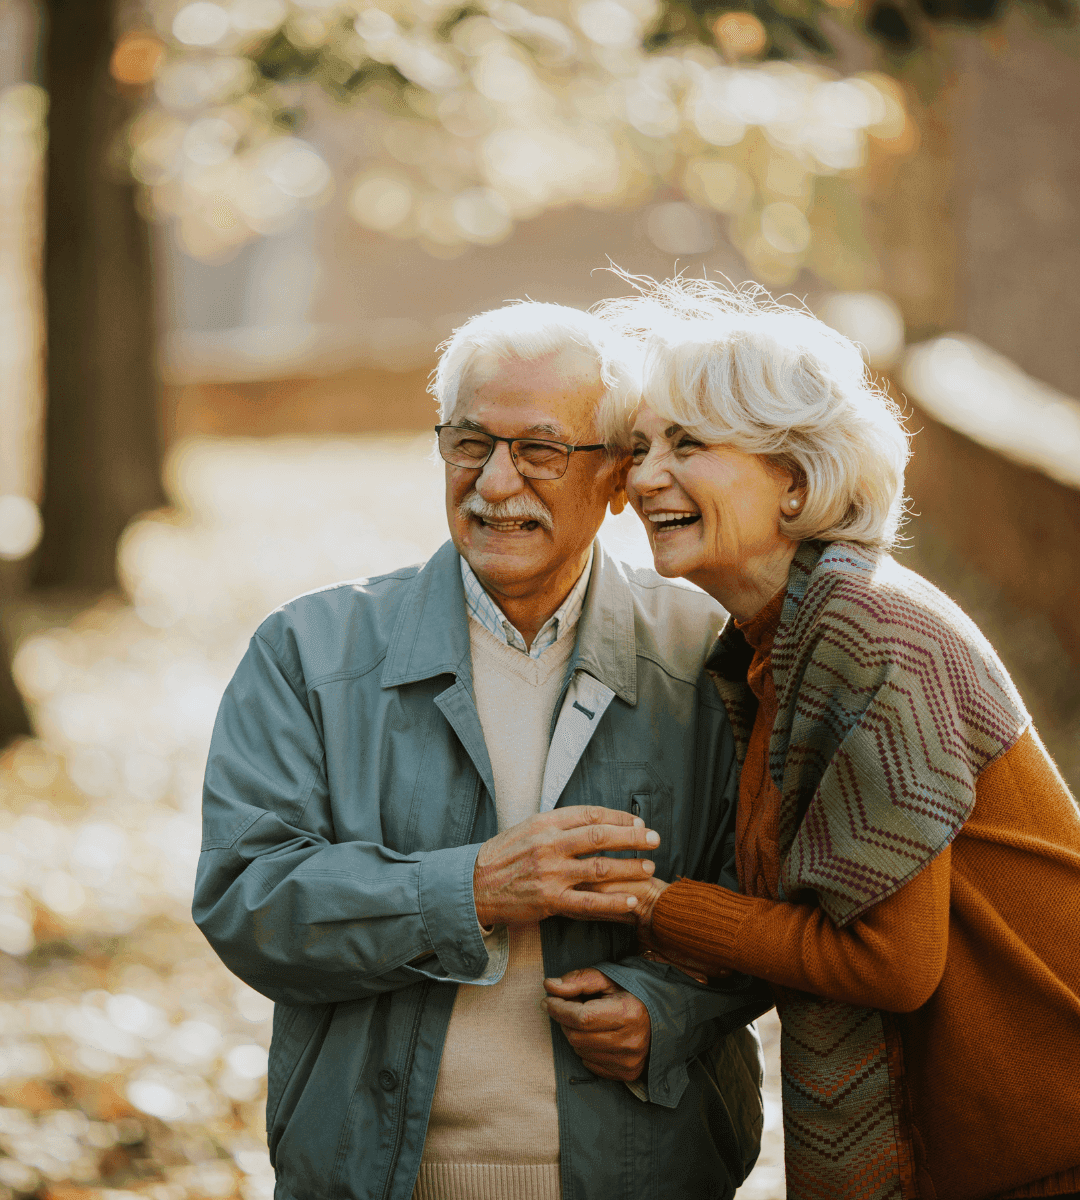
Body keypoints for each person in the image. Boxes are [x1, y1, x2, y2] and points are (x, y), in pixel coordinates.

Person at [193, 301, 767, 1200]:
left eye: (541, 450)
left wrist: (674, 1013)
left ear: (618, 474)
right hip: (374, 1175)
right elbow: (247, 899)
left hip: (643, 1170)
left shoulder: (709, 657)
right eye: (469, 443)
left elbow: (773, 906)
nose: (496, 484)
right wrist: (470, 891)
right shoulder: (309, 650)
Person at [589, 277, 1080, 1200]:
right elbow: (785, 907)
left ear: (798, 480)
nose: (643, 477)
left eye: (687, 444)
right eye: (640, 446)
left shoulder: (872, 638)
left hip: (1046, 1138)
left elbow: (884, 963)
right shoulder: (769, 653)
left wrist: (657, 905)